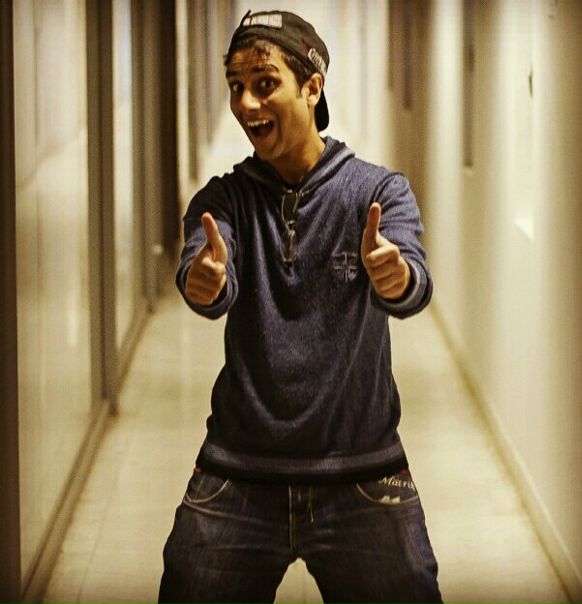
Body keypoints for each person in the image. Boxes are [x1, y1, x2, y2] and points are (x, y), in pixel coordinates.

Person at [159, 9, 442, 604]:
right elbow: (207, 274)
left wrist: (394, 277)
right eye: (236, 85)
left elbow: (412, 282)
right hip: (239, 470)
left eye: (265, 83)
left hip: (361, 472)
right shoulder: (223, 200)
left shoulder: (377, 192)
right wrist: (204, 280)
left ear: (313, 87)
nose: (246, 103)